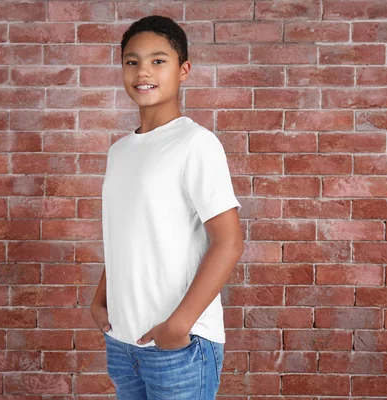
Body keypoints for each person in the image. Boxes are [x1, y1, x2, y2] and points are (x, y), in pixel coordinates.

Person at [90, 15, 244, 400]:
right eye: (132, 61)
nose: (143, 71)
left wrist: (178, 325)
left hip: (179, 345)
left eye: (158, 60)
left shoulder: (196, 143)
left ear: (184, 69)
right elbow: (130, 232)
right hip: (124, 343)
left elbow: (228, 242)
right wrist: (100, 297)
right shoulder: (120, 151)